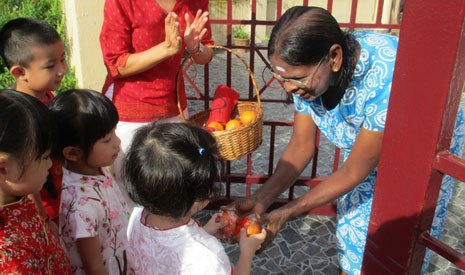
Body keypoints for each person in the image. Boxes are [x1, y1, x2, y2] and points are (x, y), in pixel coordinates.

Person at [225, 6, 460, 274]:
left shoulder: (386, 75)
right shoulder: (309, 78)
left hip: (416, 153)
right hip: (363, 153)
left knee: (396, 241)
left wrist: (286, 212)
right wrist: (262, 198)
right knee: (352, 234)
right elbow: (301, 147)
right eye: (281, 77)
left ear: (334, 57)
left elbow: (354, 170)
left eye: (297, 78)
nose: (288, 88)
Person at [123, 122, 266, 274]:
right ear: (199, 198)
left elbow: (167, 244)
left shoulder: (137, 217)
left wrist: (203, 233)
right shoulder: (208, 258)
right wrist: (246, 253)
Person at [99, 0, 215, 181]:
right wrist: (167, 49)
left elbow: (206, 53)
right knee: (134, 192)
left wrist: (196, 48)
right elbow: (115, 64)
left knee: (175, 183)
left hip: (173, 105)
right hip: (131, 110)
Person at [49, 89, 133, 274]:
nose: (117, 142)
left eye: (114, 133)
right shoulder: (81, 206)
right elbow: (93, 265)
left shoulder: (95, 169)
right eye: (106, 140)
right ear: (73, 153)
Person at [0, 17, 67, 228]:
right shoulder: (18, 117)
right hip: (42, 212)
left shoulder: (51, 97)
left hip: (64, 199)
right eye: (50, 66)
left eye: (62, 59)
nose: (61, 70)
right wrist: (43, 219)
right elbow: (25, 176)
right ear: (20, 73)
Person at [0, 89, 71, 273]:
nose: (49, 164)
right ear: (3, 168)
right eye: (44, 157)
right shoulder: (9, 257)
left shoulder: (17, 199)